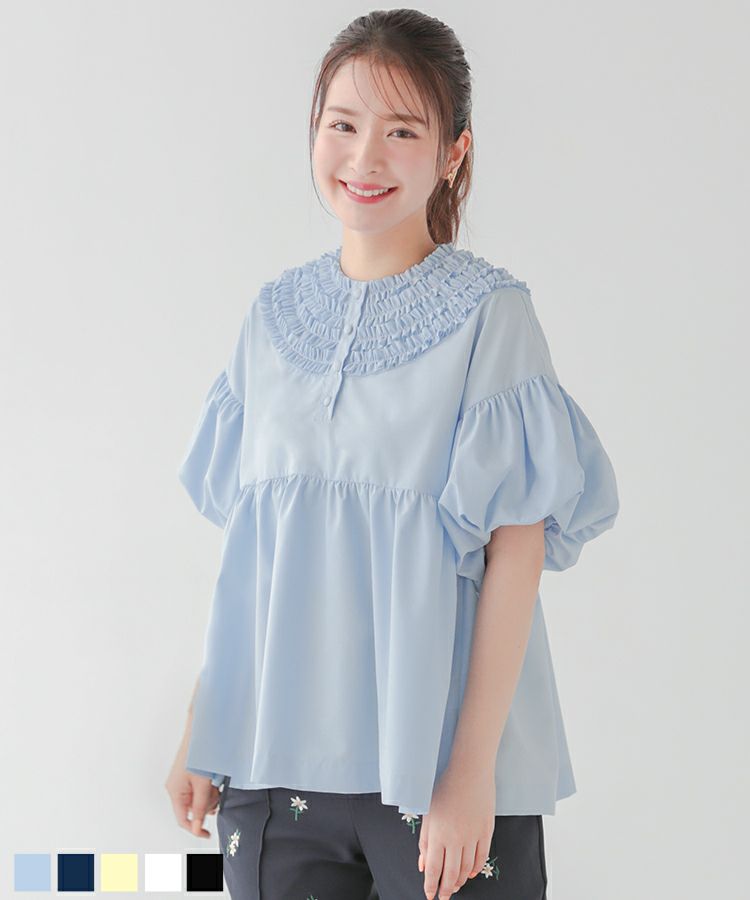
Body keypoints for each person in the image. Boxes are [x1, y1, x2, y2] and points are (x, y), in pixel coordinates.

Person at [164, 9, 619, 900]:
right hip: (270, 768)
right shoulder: (270, 319)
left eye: (402, 131)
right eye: (343, 124)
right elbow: (256, 559)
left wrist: (471, 773)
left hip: (437, 773)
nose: (365, 157)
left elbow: (516, 550)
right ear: (314, 130)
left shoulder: (493, 316)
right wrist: (201, 727)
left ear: (452, 153)